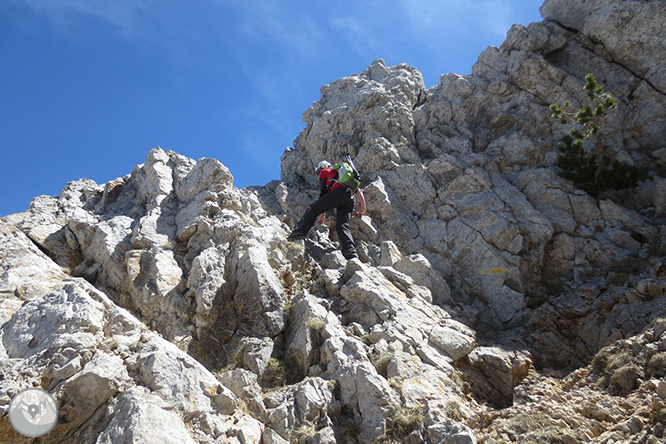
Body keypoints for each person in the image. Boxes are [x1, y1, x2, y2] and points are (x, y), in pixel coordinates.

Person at [287, 160, 366, 260]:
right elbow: (358, 191)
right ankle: (351, 253)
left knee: (312, 209)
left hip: (339, 193)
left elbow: (323, 193)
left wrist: (321, 213)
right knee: (343, 225)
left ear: (322, 167)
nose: (319, 174)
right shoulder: (344, 177)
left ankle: (299, 232)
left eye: (318, 171)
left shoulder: (324, 172)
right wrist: (363, 209)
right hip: (350, 198)